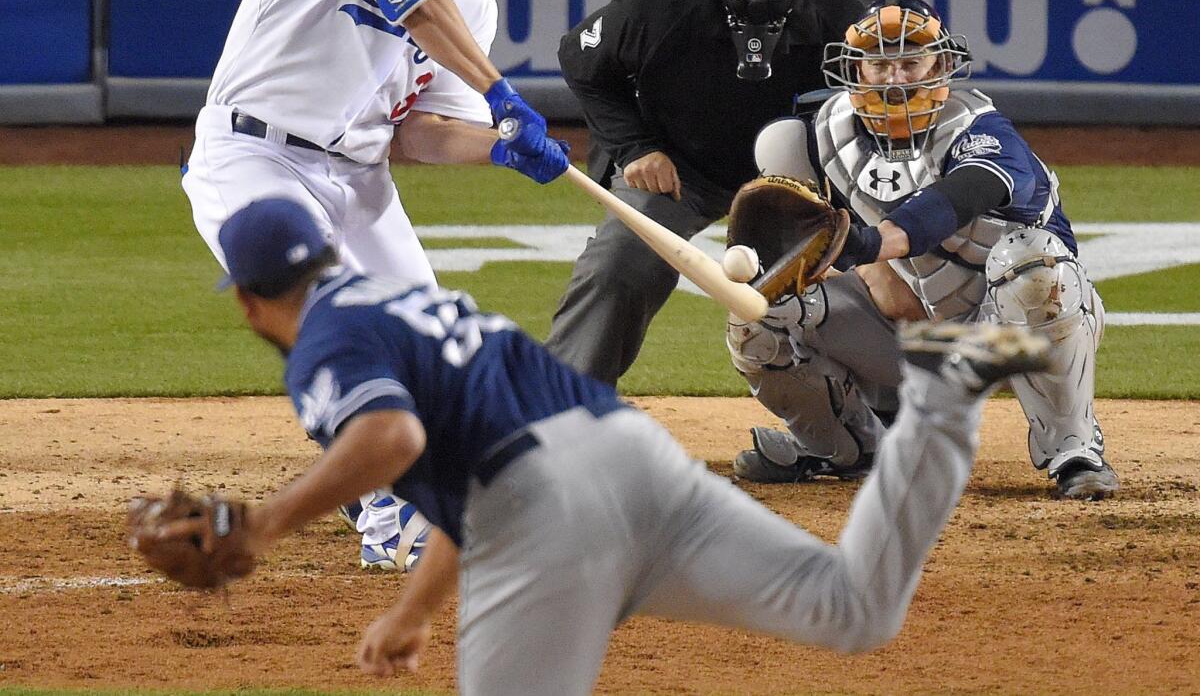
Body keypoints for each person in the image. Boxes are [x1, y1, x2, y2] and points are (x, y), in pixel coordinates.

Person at [168, 196, 1050, 694]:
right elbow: (465, 473)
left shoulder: (324, 342)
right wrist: (412, 612)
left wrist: (263, 526)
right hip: (629, 457)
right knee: (850, 606)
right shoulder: (398, 307)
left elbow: (391, 436)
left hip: (545, 517)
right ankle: (936, 391)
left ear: (248, 299)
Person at [181, 0, 569, 572]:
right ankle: (388, 516)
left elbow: (416, 133)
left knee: (428, 347)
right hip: (250, 155)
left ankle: (419, 492)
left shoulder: (476, 1)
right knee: (335, 316)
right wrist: (501, 94)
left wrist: (503, 149)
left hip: (359, 177)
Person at [727, 0, 1119, 501]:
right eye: (879, 63)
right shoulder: (814, 138)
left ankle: (1074, 449)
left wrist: (870, 246)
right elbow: (802, 248)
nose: (894, 78)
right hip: (906, 334)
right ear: (855, 69)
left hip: (1008, 338)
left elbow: (955, 198)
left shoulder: (981, 130)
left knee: (1032, 266)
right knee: (758, 313)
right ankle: (847, 446)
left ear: (942, 65)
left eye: (911, 62)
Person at [543, 0, 875, 385]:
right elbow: (581, 62)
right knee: (621, 261)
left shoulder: (850, 15)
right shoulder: (655, 1)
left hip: (808, 180)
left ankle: (870, 419)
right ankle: (560, 408)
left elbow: (885, 110)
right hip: (679, 168)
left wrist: (850, 196)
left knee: (866, 270)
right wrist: (634, 147)